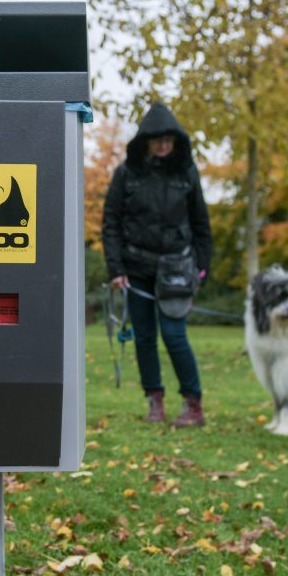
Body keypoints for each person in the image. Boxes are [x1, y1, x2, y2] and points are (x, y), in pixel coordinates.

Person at [101, 102, 212, 427]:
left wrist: (201, 269)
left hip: (178, 268)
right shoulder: (126, 174)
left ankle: (193, 404)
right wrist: (116, 268)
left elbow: (201, 224)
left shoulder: (187, 173)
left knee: (175, 336)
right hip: (136, 269)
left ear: (176, 140)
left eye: (169, 139)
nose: (164, 145)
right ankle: (155, 401)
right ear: (146, 140)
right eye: (157, 139)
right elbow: (111, 222)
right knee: (145, 337)